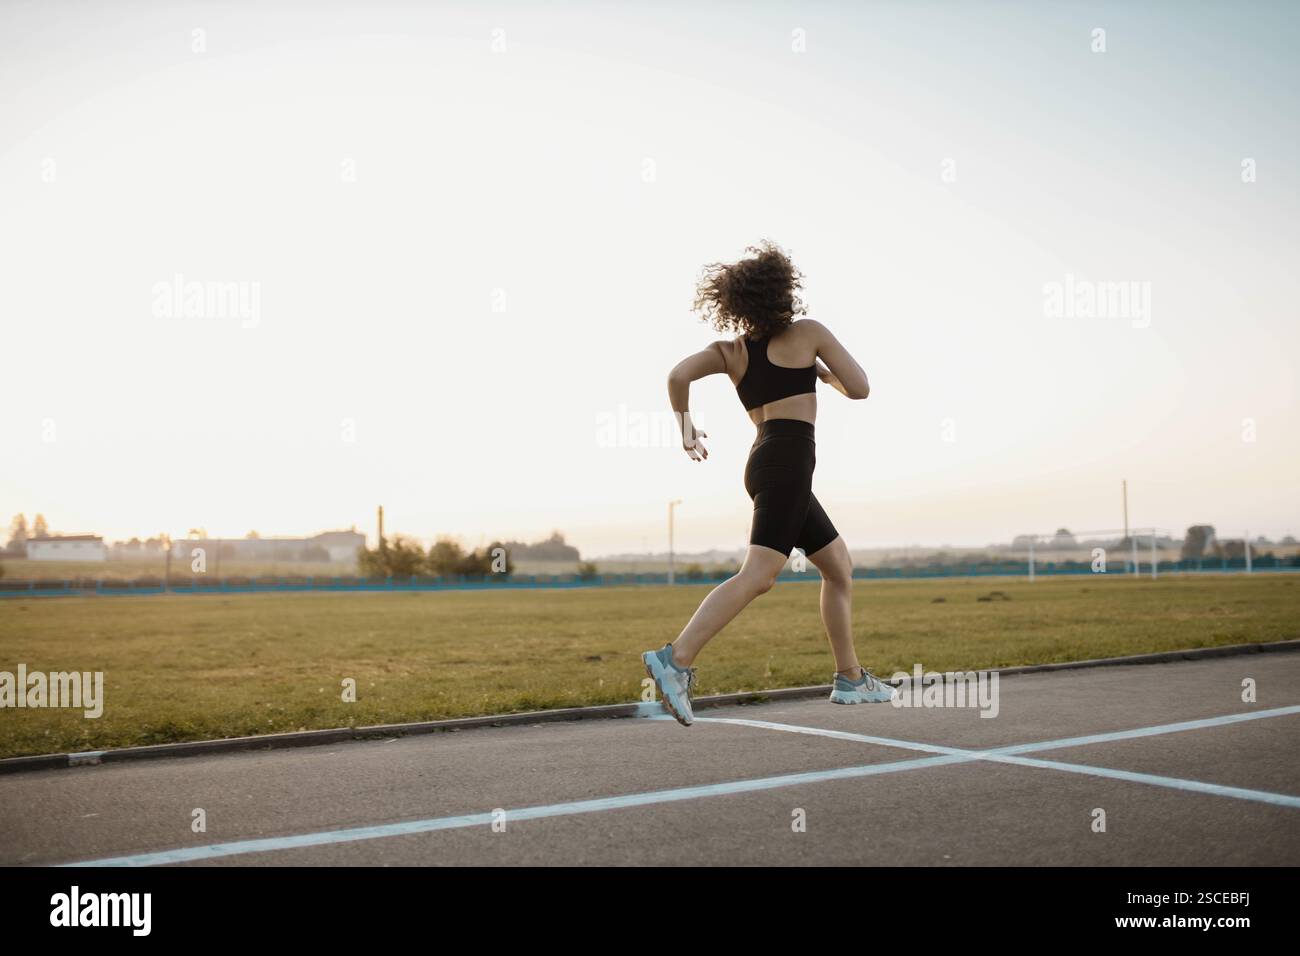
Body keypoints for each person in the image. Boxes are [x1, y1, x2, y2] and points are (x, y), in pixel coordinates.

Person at [642, 240, 896, 726]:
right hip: (788, 462)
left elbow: (677, 376)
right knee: (760, 575)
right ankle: (675, 659)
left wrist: (685, 428)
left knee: (838, 566)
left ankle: (850, 678)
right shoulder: (809, 333)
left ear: (736, 302)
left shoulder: (731, 351)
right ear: (784, 291)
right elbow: (860, 388)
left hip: (765, 461)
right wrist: (823, 374)